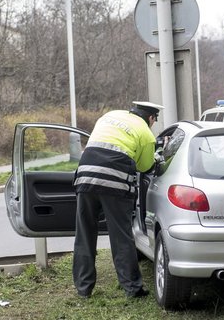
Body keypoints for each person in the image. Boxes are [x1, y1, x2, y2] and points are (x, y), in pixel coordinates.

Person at [72, 101, 164, 299]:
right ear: (150, 118)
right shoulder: (146, 134)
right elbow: (145, 167)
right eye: (154, 120)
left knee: (85, 233)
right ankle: (132, 288)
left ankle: (83, 288)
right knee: (121, 235)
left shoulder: (109, 116)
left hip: (85, 177)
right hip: (114, 183)